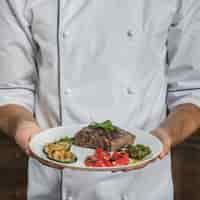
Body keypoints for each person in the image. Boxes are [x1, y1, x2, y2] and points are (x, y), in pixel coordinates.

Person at [0, 0, 200, 199]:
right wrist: (24, 127)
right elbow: (10, 89)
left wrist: (165, 136)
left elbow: (191, 90)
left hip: (142, 186)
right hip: (55, 184)